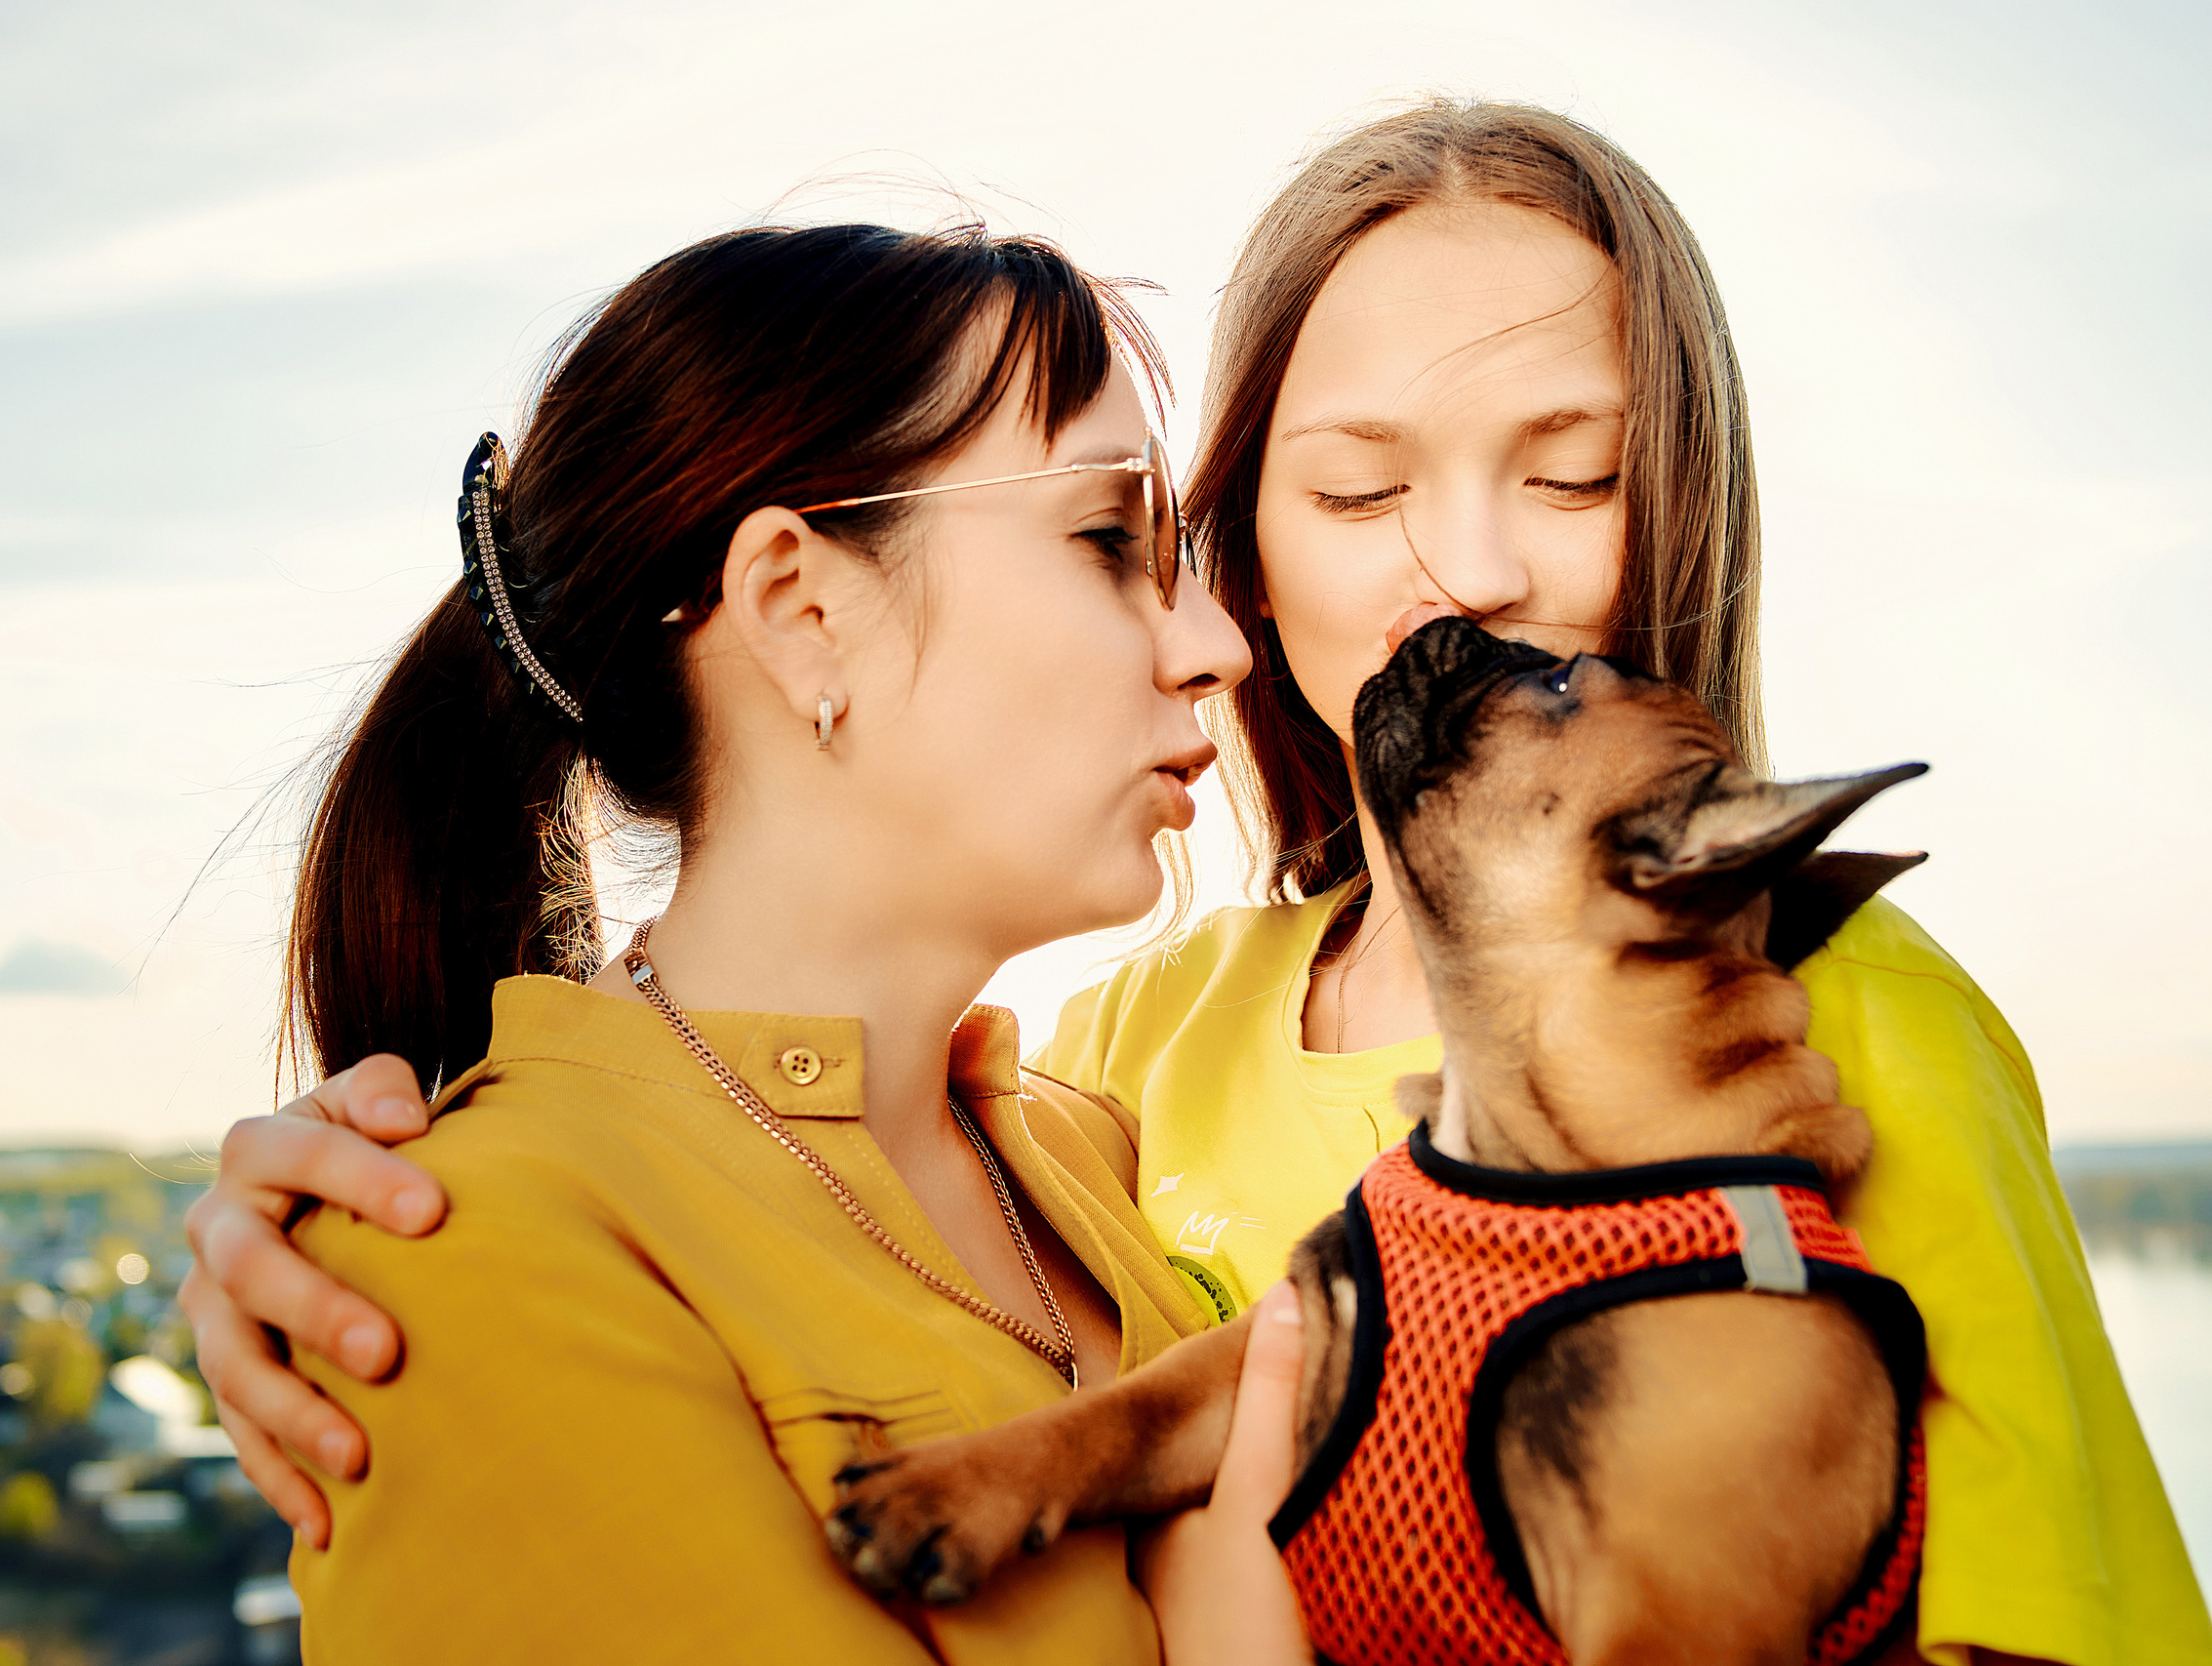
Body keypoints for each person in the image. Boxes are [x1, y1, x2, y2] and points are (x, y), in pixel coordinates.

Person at [181, 104, 2212, 1665]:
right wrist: (409, 1231)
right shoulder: (1109, 1065)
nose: (1462, 569)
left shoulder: (1081, 1143)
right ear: (799, 607)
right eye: (1345, 487)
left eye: (1573, 473)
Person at [220, 218, 1292, 1662]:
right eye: (1110, 541)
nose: (1217, 645)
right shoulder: (457, 1266)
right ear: (800, 609)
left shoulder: (1102, 1151)